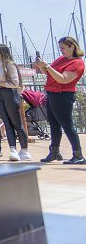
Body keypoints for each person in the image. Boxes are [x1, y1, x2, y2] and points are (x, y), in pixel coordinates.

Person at [33, 36, 85, 164]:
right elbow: (50, 74)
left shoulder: (77, 63)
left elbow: (63, 79)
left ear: (72, 46)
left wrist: (48, 67)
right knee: (54, 124)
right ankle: (54, 152)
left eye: (63, 48)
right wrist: (41, 67)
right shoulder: (62, 59)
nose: (61, 50)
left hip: (63, 95)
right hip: (52, 94)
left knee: (67, 125)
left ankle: (78, 155)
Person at [0, 44, 31, 162]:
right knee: (6, 123)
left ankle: (24, 149)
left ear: (2, 52)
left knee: (17, 123)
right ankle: (12, 149)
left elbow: (15, 84)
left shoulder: (10, 65)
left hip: (10, 94)